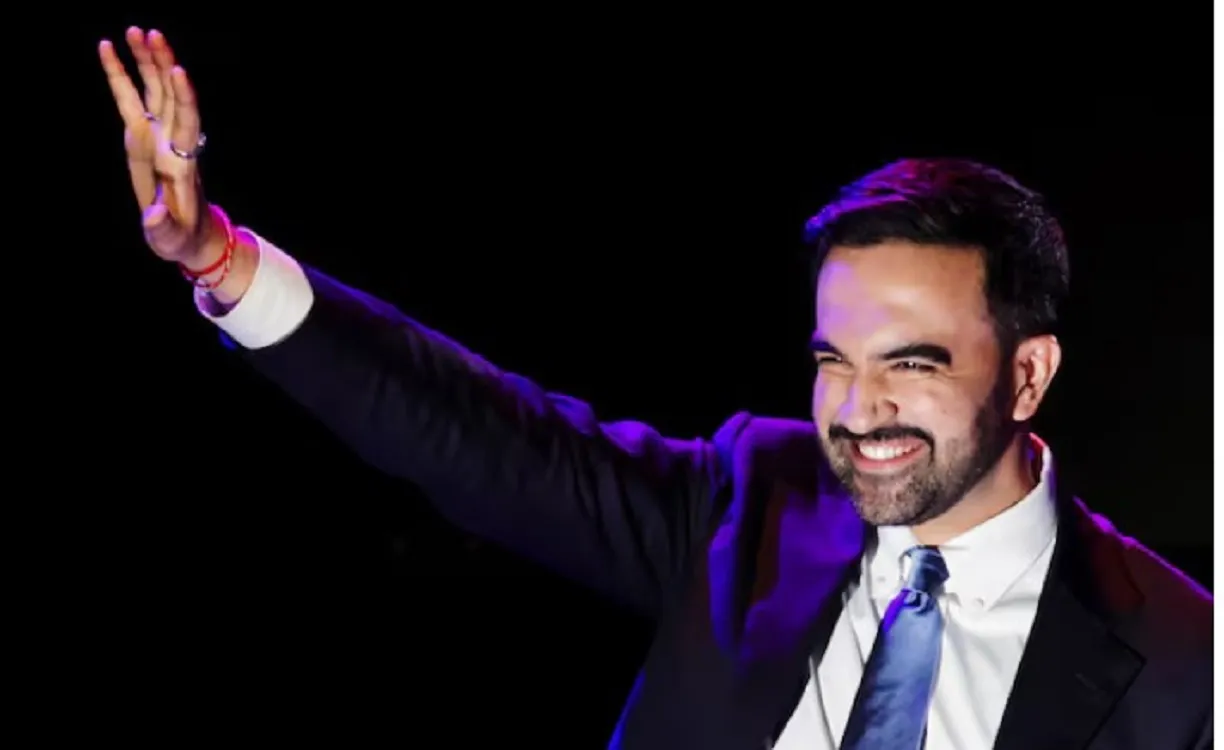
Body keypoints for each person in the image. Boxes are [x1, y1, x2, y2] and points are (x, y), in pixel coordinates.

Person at [99, 28, 1211, 750]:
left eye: (912, 364)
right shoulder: (754, 497)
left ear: (1028, 372)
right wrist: (219, 261)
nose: (859, 409)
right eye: (834, 359)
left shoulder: (1184, 664)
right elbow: (477, 436)